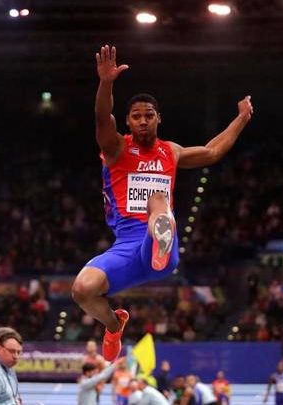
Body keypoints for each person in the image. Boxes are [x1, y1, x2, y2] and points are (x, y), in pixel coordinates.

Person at [71, 44, 254, 361]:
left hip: (161, 242)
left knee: (157, 200)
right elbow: (102, 117)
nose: (143, 121)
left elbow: (211, 152)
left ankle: (161, 243)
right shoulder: (115, 149)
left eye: (149, 116)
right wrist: (106, 82)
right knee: (82, 290)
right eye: (136, 116)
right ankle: (115, 325)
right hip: (127, 247)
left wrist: (241, 119)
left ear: (159, 119)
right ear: (127, 121)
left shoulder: (171, 151)